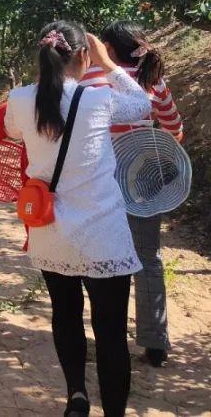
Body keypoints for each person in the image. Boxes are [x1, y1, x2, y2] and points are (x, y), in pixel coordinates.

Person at [5, 22, 148, 417]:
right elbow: (143, 105)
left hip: (51, 231)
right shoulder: (100, 99)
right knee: (111, 332)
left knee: (65, 314)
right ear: (84, 55)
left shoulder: (20, 99)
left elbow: (14, 131)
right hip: (102, 233)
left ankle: (76, 397)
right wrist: (109, 64)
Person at [82, 21, 183, 368]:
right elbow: (175, 129)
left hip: (101, 180)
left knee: (103, 259)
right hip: (142, 180)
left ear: (106, 48)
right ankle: (155, 341)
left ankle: (109, 335)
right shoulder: (153, 82)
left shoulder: (93, 79)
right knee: (148, 258)